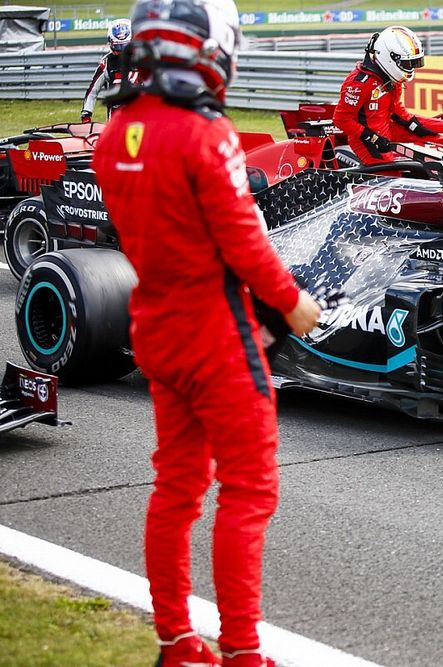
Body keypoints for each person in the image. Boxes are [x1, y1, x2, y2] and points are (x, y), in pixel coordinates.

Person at [91, 0, 321, 664]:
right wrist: (292, 302)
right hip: (218, 337)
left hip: (155, 330)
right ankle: (244, 651)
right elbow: (243, 241)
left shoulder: (116, 133)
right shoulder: (205, 134)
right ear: (206, 49)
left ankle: (177, 643)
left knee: (176, 488)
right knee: (249, 490)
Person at [333, 25, 443, 166]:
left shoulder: (392, 77)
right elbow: (341, 119)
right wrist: (373, 138)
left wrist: (414, 125)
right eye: (407, 63)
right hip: (366, 139)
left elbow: (396, 108)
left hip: (389, 127)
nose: (411, 68)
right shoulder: (358, 84)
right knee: (392, 175)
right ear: (389, 57)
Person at [81, 18, 136, 122]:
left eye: (125, 45)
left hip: (141, 117)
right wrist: (86, 113)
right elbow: (92, 91)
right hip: (116, 121)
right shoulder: (106, 63)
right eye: (118, 46)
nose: (121, 50)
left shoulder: (144, 60)